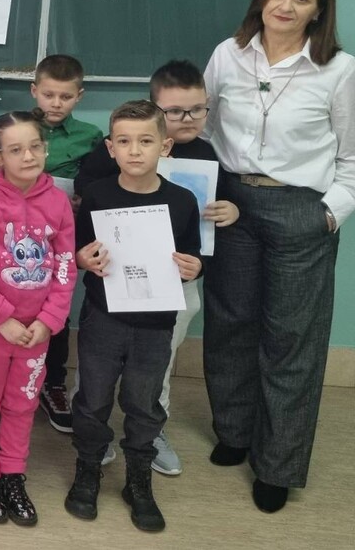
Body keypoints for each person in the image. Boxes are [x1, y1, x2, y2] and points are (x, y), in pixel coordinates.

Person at [200, 0, 355, 513]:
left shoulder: (339, 70)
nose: (286, 6)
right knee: (230, 324)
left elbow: (353, 156)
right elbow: (203, 125)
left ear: (319, 11)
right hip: (232, 202)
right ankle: (235, 432)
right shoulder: (228, 54)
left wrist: (329, 213)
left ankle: (278, 465)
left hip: (300, 209)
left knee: (291, 340)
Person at [73, 60, 240, 475]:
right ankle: (91, 439)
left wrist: (200, 260)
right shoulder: (109, 169)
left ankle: (150, 433)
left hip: (167, 294)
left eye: (196, 109)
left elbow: (203, 236)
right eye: (174, 111)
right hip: (110, 295)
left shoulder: (205, 160)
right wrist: (82, 255)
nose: (186, 118)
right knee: (96, 373)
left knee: (152, 370)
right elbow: (85, 211)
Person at [65, 100, 202, 532]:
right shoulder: (98, 196)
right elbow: (79, 251)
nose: (135, 150)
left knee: (144, 403)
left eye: (145, 141)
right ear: (111, 148)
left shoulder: (182, 201)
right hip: (103, 317)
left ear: (165, 146)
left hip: (155, 325)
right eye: (124, 142)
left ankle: (138, 480)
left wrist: (196, 267)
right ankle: (88, 469)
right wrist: (82, 260)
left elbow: (194, 255)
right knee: (92, 399)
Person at [0, 110, 76, 527]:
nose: (28, 156)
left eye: (35, 147)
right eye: (16, 150)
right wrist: (0, 317)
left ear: (45, 148)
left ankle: (12, 472)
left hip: (37, 330)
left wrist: (49, 320)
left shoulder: (58, 202)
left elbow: (65, 264)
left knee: (23, 402)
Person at [30, 53, 101, 434]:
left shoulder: (91, 137)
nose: (56, 103)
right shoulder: (17, 129)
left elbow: (98, 185)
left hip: (63, 237)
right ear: (34, 91)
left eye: (66, 96)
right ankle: (11, 384)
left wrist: (82, 198)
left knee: (56, 311)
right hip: (17, 238)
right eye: (49, 95)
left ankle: (53, 383)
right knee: (16, 308)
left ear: (79, 96)